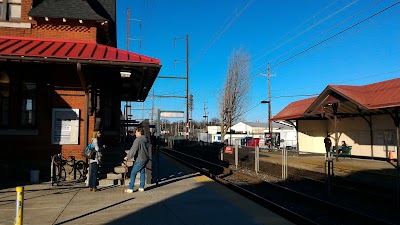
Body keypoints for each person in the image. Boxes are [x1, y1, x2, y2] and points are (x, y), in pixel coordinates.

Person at [124, 127, 149, 193]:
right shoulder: (145, 139)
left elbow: (133, 149)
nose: (135, 133)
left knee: (133, 172)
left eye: (136, 132)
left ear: (139, 132)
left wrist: (128, 157)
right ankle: (141, 187)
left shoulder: (137, 140)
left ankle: (130, 188)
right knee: (142, 172)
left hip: (139, 158)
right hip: (145, 158)